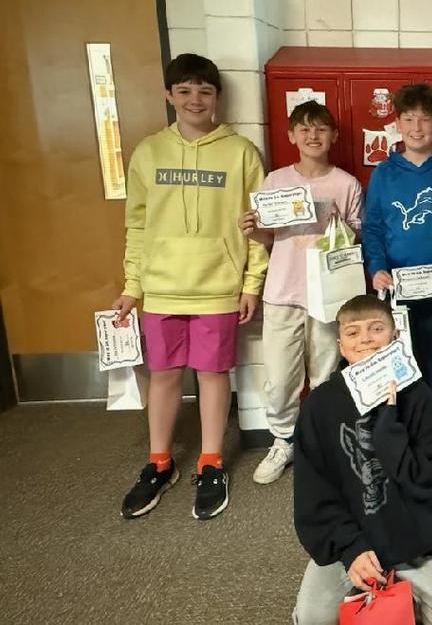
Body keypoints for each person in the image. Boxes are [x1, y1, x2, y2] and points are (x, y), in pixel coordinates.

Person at [114, 53, 268, 520]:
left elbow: (259, 224)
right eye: (184, 90)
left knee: (212, 374)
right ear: (169, 96)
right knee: (162, 377)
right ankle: (159, 462)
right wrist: (132, 285)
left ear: (217, 97)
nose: (195, 99)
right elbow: (137, 225)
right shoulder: (148, 152)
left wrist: (251, 282)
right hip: (160, 287)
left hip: (218, 285)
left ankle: (210, 461)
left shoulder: (241, 152)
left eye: (204, 90)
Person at [292, 295, 432, 625]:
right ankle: (373, 584)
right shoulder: (320, 404)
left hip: (414, 536)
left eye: (376, 329)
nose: (365, 339)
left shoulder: (419, 397)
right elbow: (314, 492)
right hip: (351, 539)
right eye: (353, 333)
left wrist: (389, 421)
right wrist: (351, 548)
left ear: (395, 337)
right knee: (310, 619)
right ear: (340, 345)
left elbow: (424, 480)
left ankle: (401, 587)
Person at [239, 100, 363, 485]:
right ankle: (283, 440)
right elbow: (266, 237)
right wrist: (252, 229)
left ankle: (322, 442)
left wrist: (342, 226)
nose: (313, 136)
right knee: (279, 378)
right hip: (283, 291)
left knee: (325, 374)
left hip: (328, 294)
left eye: (321, 129)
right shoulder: (275, 181)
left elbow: (357, 237)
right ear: (291, 135)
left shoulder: (345, 184)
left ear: (334, 136)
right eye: (305, 129)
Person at [361, 83, 432, 471]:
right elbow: (374, 228)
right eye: (408, 119)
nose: (416, 127)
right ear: (396, 124)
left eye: (424, 120)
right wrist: (376, 268)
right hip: (397, 293)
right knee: (402, 367)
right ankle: (405, 436)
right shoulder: (383, 174)